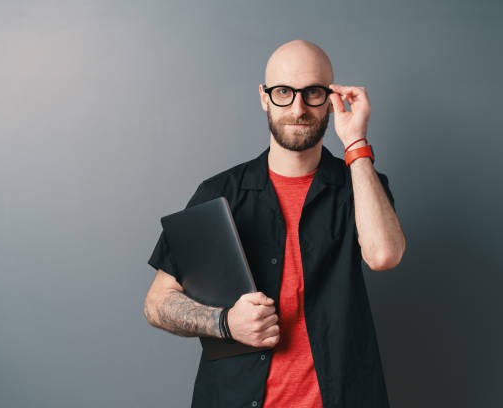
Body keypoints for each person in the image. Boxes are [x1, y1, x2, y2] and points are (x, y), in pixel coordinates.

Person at [143, 39, 406, 408]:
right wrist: (225, 323)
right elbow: (157, 303)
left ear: (331, 99)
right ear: (265, 98)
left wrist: (356, 143)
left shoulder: (360, 186)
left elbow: (383, 255)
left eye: (313, 92)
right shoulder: (218, 193)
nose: (298, 108)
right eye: (284, 92)